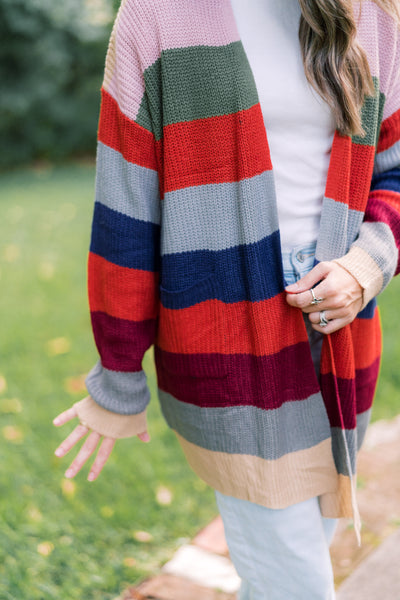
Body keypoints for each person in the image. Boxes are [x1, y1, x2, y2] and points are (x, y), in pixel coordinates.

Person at [53, 0, 400, 597]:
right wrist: (118, 373)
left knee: (285, 570)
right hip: (227, 356)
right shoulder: (157, 16)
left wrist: (366, 266)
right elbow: (126, 208)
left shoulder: (372, 17)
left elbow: (393, 173)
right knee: (297, 587)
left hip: (341, 354)